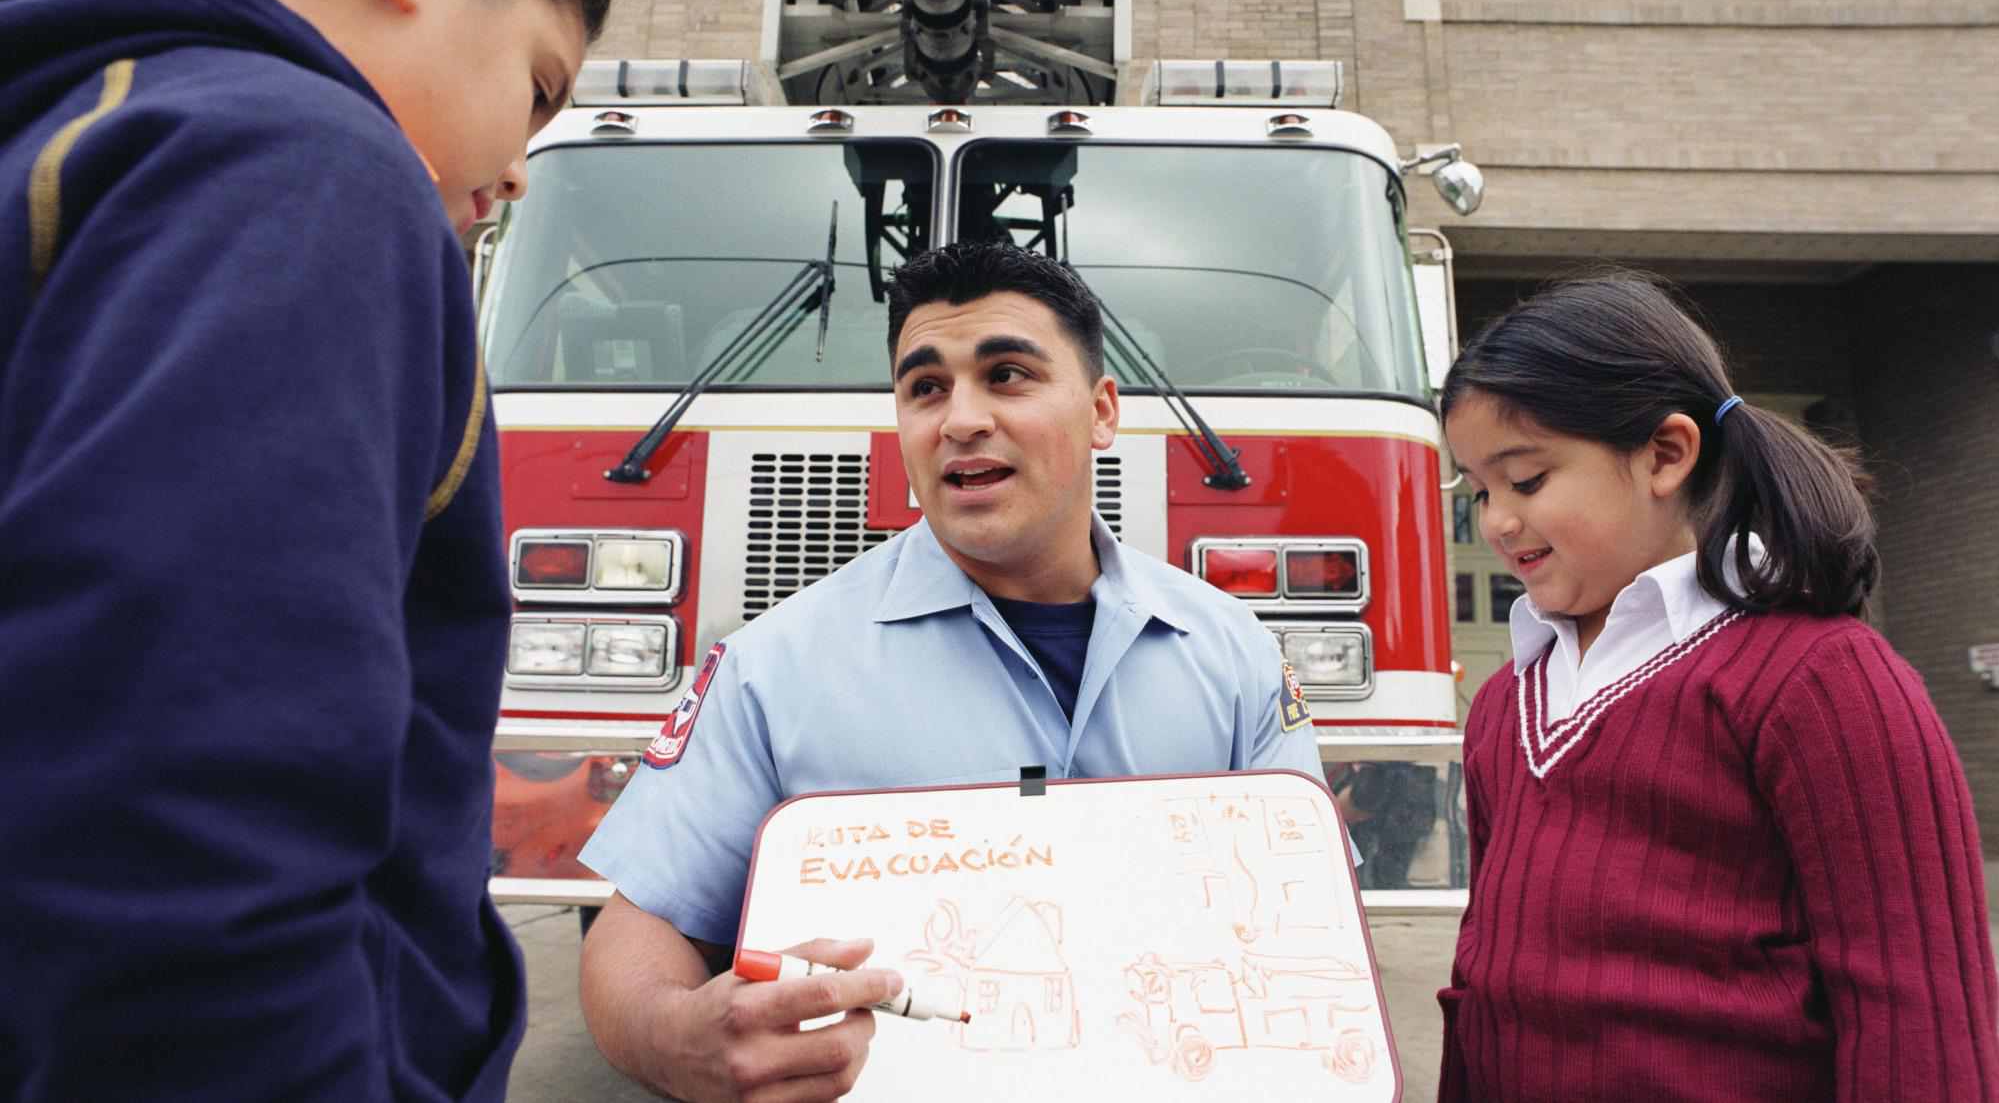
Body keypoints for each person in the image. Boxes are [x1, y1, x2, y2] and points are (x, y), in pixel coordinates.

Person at [0, 0, 615, 1098]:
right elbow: (180, 798)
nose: (516, 169)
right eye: (539, 85)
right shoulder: (304, 163)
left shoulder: (76, 132)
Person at [578, 240, 1326, 1101]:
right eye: (925, 387)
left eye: (1006, 374)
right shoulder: (772, 666)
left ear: (1102, 409)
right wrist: (673, 1035)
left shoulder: (1234, 653)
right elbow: (635, 932)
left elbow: (1308, 917)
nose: (960, 418)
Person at [1435, 273, 1998, 1101]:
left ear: (1666, 453)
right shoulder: (1502, 703)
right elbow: (1481, 973)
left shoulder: (1823, 678)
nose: (1495, 522)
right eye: (1479, 490)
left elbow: (1918, 1011)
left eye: (1525, 481)